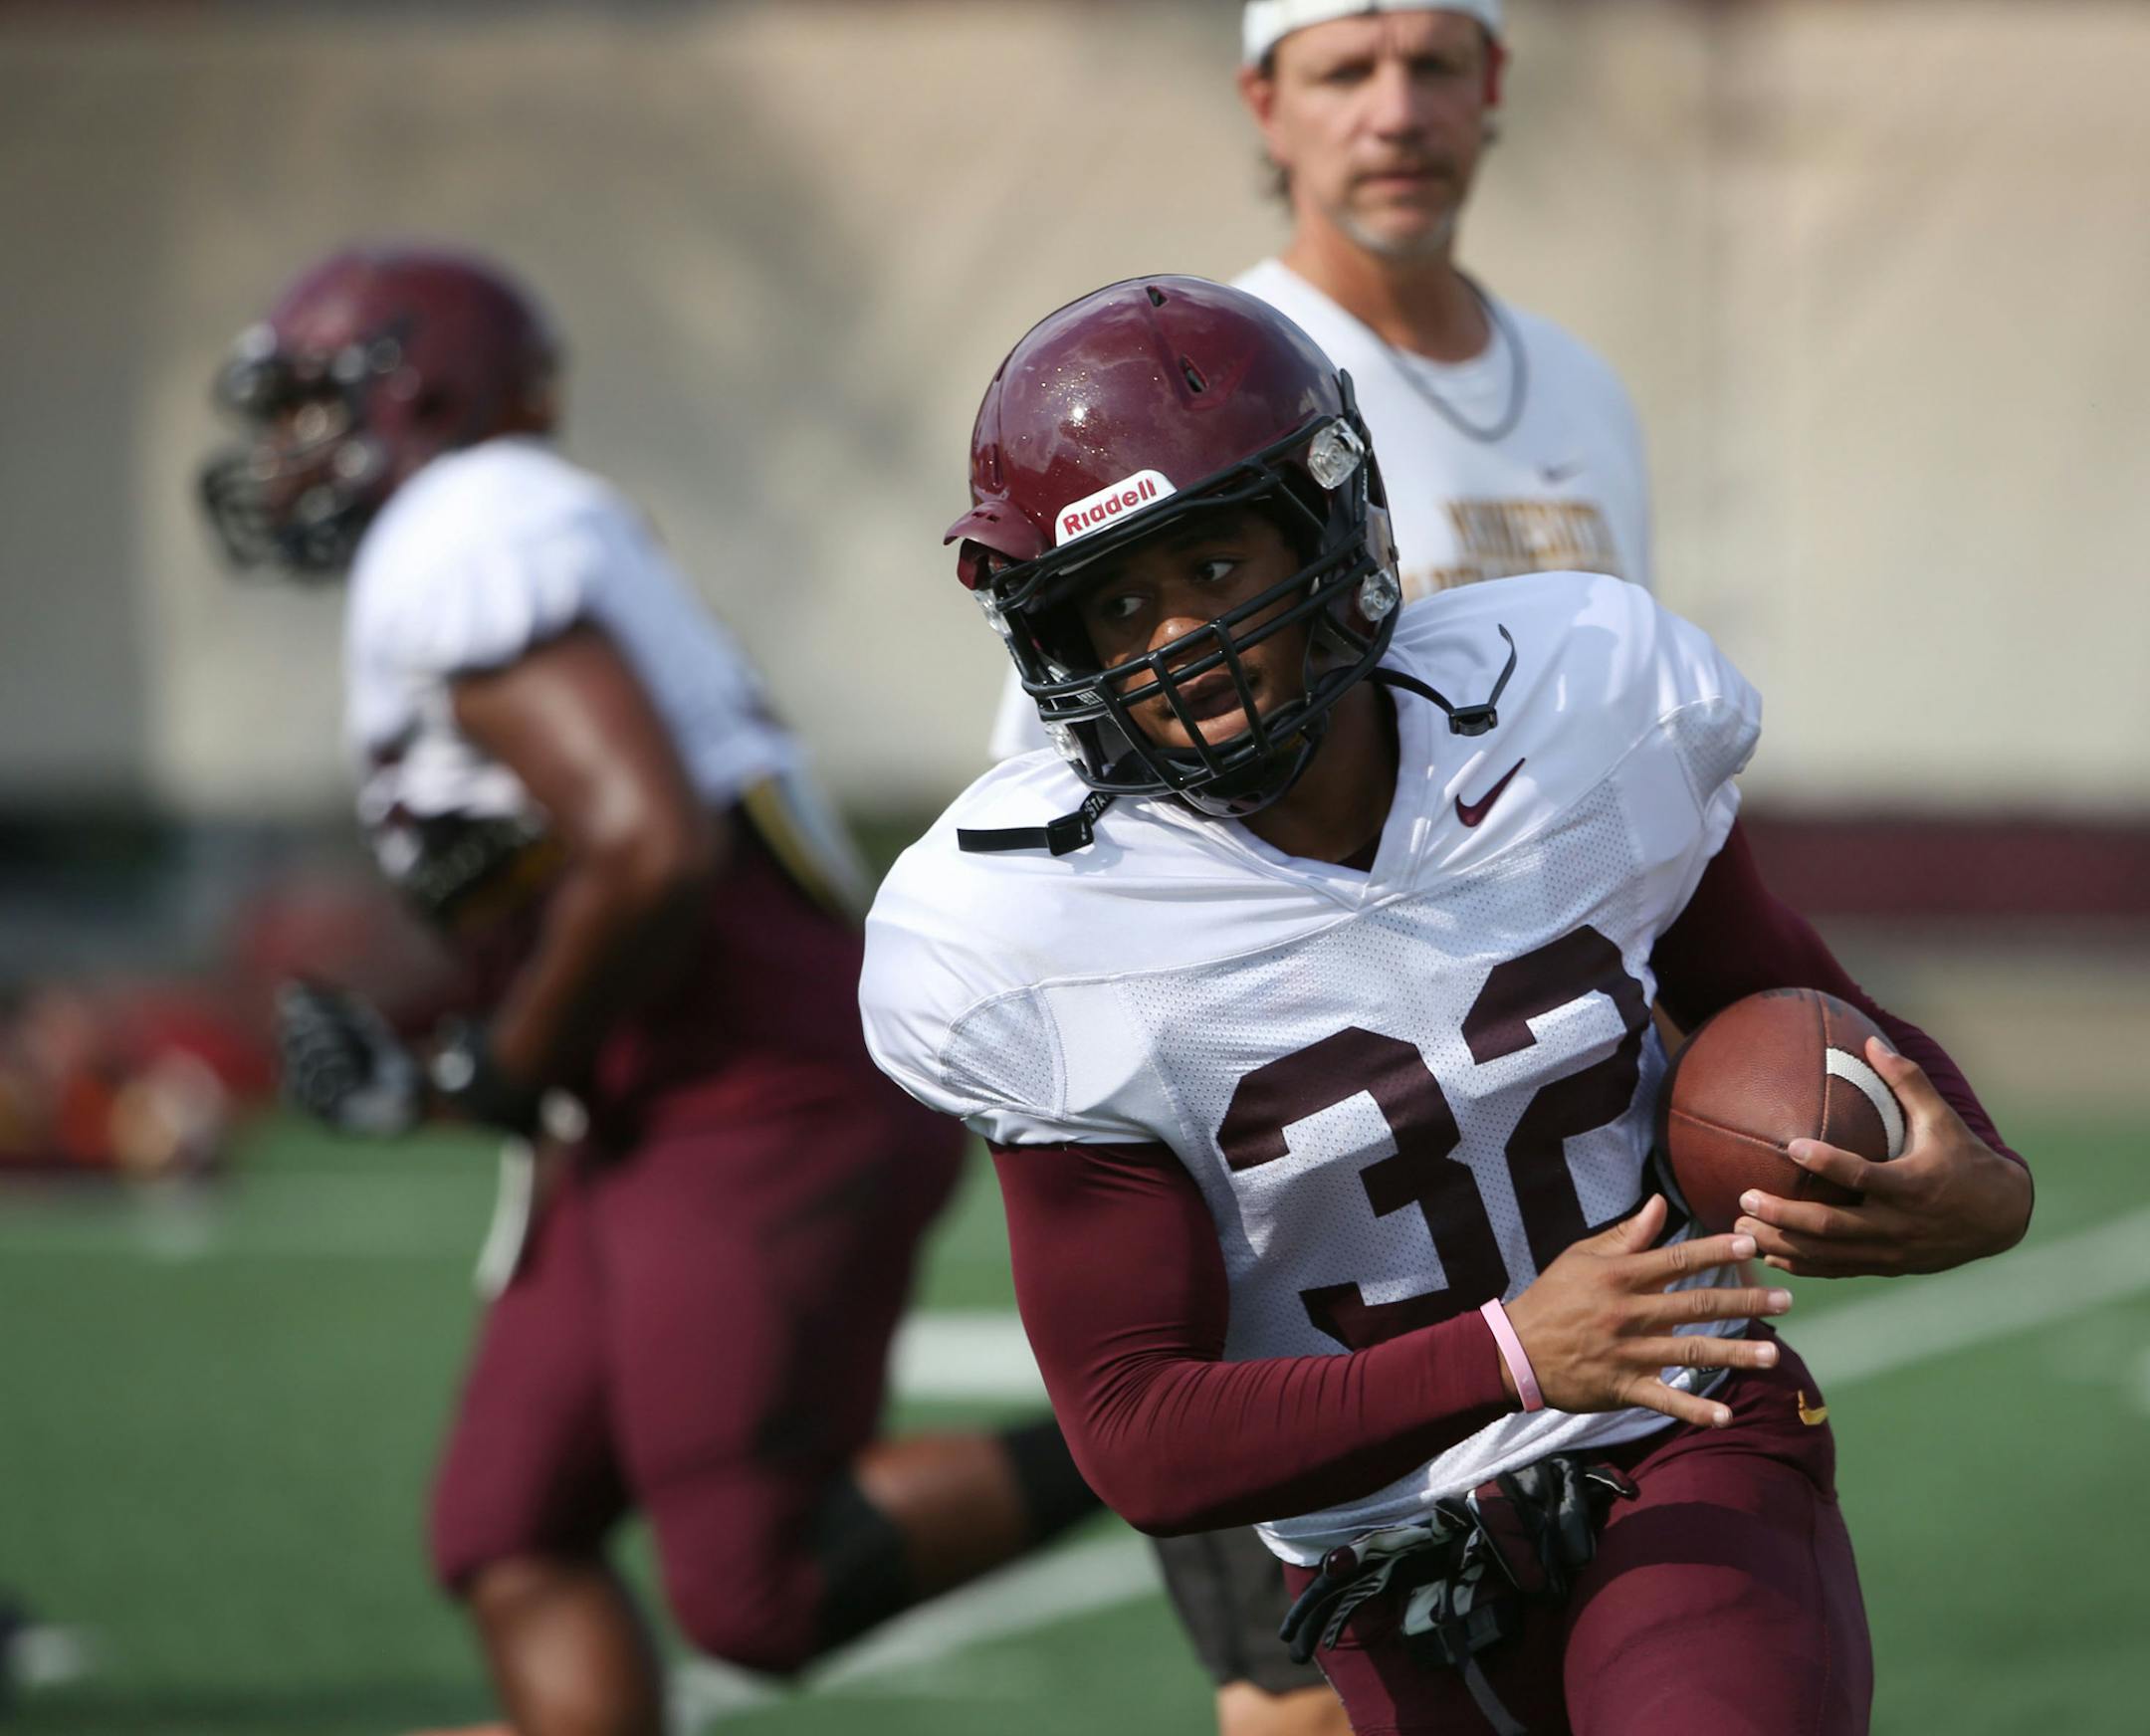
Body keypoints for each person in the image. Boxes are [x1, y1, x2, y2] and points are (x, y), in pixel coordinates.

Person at [862, 276, 2034, 1735]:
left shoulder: (1575, 702)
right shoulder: (1033, 928)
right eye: (1120, 603)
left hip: (1675, 1433)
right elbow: (1137, 1438)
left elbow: (1788, 999)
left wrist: (1981, 1174)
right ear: (1059, 643)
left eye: (1217, 569)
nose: (1179, 644)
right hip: (1386, 1560)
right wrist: (1511, 1352)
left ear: (1327, 531)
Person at [198, 245, 1098, 1736]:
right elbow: (569, 864)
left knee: (758, 1589)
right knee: (507, 1526)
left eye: (309, 407)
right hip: (642, 1099)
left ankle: (1174, 1452)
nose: (287, 454)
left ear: (412, 394)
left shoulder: (466, 521)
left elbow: (649, 849)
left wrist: (495, 1063)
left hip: (756, 1089)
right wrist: (443, 1036)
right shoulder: (494, 531)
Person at [987, 0, 1648, 763]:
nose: (1397, 114)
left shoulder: (1583, 384)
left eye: (1434, 65)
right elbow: (1067, 768)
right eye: (1346, 72)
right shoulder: (1187, 396)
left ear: (1492, 80)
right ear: (1266, 105)